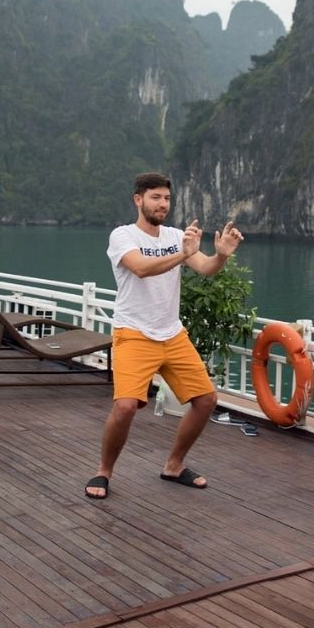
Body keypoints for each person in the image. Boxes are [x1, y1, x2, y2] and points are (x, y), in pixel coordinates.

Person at [84, 172, 244, 499]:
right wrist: (184, 254)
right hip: (134, 333)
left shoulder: (175, 236)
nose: (163, 204)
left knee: (206, 400)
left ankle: (174, 464)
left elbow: (205, 268)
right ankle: (104, 471)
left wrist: (222, 255)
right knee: (126, 406)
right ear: (138, 199)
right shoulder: (122, 236)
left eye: (167, 198)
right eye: (155, 197)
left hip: (172, 334)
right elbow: (141, 268)